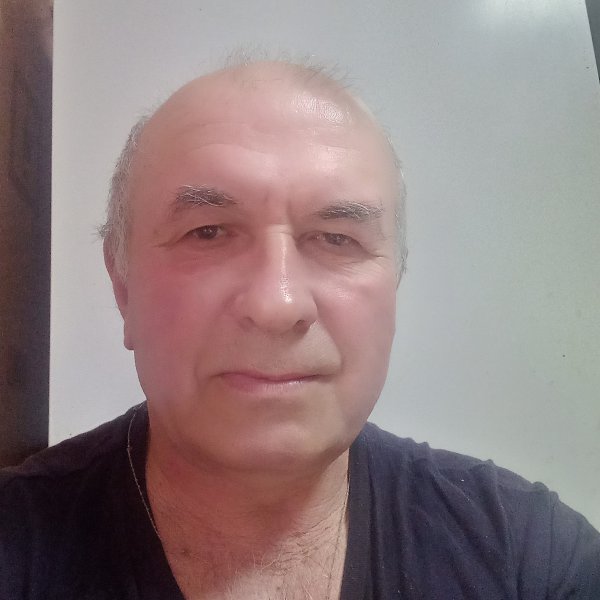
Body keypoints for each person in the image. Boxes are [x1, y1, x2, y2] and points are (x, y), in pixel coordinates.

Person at [1, 58, 599, 600]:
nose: (278, 303)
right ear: (123, 285)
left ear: (395, 283)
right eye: (208, 232)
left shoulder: (531, 558)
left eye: (337, 238)